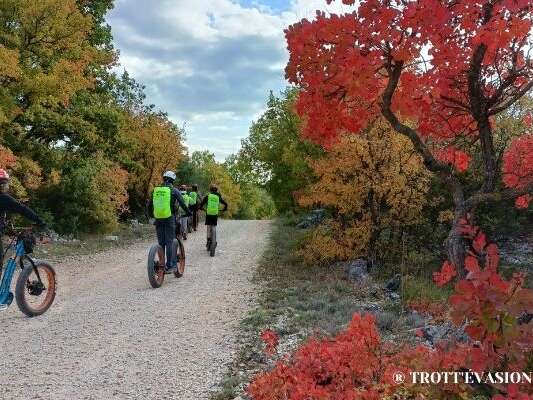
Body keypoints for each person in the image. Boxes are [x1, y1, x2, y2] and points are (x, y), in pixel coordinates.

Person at [0, 169, 48, 264]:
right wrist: (40, 221)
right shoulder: (3, 198)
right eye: (3, 184)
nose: (4, 187)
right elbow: (22, 209)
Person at [146, 171, 191, 273]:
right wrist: (189, 213)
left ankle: (162, 264)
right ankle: (170, 265)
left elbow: (149, 205)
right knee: (169, 241)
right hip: (169, 218)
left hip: (158, 218)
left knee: (161, 242)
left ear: (164, 178)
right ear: (172, 180)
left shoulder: (155, 190)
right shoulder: (174, 190)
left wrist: (152, 216)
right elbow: (183, 204)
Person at [199, 184, 228, 248]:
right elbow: (225, 203)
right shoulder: (218, 197)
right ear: (217, 190)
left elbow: (201, 204)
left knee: (209, 226)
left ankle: (208, 240)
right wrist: (224, 209)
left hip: (208, 213)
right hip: (215, 213)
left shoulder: (208, 196)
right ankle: (214, 240)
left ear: (210, 190)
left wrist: (201, 208)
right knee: (214, 225)